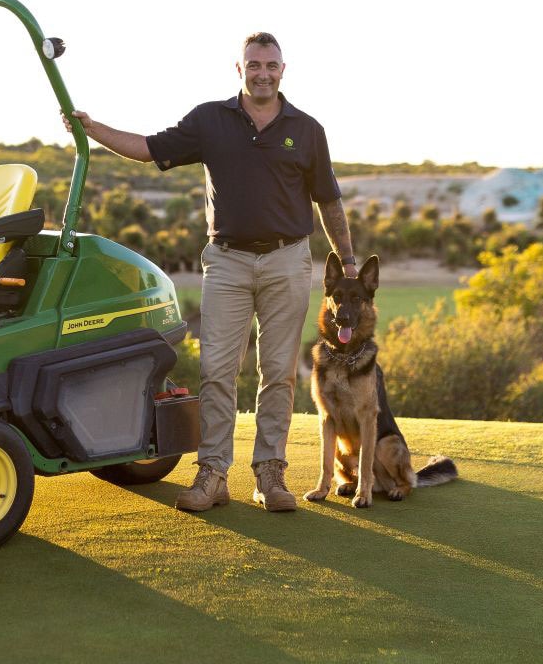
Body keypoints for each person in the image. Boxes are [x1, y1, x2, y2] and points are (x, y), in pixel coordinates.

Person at [62, 32, 357, 513]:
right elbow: (148, 148)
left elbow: (329, 200)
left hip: (288, 259)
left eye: (271, 65)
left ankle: (269, 474)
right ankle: (213, 474)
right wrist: (94, 129)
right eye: (254, 64)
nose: (263, 72)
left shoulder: (306, 129)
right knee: (219, 371)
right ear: (239, 69)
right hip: (228, 260)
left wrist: (346, 258)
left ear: (284, 70)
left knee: (278, 373)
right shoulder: (210, 120)